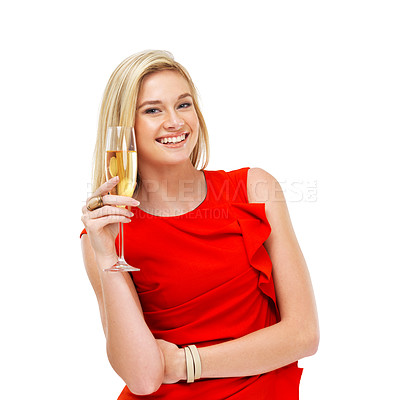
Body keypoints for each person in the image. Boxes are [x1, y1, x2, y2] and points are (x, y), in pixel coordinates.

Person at [80, 50, 319, 399]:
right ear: (123, 130)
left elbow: (303, 334)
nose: (175, 121)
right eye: (152, 110)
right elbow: (143, 379)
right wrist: (106, 259)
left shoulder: (254, 190)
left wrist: (184, 363)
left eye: (184, 104)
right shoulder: (104, 235)